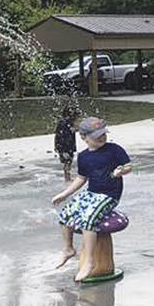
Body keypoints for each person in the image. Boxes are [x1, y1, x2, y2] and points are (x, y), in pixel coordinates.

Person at [52, 117, 133, 282]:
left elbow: (129, 166)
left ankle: (89, 261)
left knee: (88, 219)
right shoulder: (83, 157)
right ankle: (68, 249)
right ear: (84, 138)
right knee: (65, 214)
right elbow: (81, 178)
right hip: (92, 193)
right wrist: (65, 194)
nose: (102, 137)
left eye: (103, 134)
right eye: (97, 135)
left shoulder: (114, 150)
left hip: (109, 195)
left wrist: (120, 171)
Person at [54, 107, 79, 181]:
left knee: (68, 161)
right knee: (68, 161)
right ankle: (67, 178)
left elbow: (57, 135)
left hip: (63, 145)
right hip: (65, 146)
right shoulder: (66, 123)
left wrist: (56, 145)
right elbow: (67, 134)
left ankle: (67, 176)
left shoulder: (63, 122)